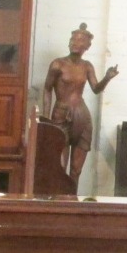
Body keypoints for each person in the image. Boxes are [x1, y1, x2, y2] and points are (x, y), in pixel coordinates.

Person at [41, 23, 119, 187]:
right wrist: (46, 119)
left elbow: (96, 89)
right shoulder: (58, 64)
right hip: (61, 116)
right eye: (73, 40)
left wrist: (107, 77)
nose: (76, 43)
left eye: (80, 41)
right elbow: (47, 89)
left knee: (76, 169)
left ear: (87, 47)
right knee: (59, 167)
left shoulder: (87, 66)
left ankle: (71, 203)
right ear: (69, 43)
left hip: (82, 117)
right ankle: (59, 202)